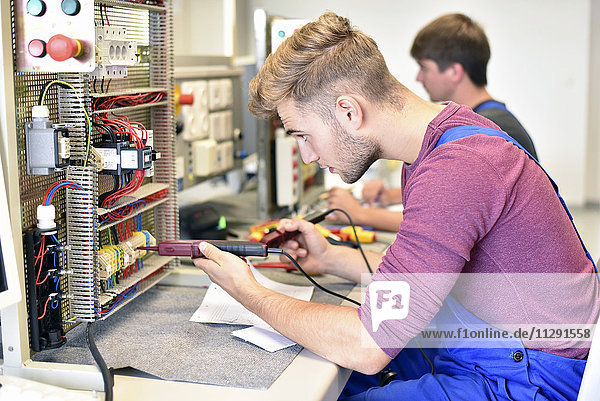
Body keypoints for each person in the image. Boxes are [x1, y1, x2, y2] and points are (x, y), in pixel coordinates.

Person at [193, 11, 598, 400]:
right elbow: (417, 281)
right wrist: (332, 259)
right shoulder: (438, 139)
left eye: (303, 135)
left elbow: (367, 345)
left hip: (527, 378)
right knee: (331, 375)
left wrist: (249, 292)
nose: (307, 156)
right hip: (488, 346)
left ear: (349, 111)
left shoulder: (457, 168)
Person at [327, 13, 538, 232]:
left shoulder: (487, 134)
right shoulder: (484, 121)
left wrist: (360, 214)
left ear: (454, 72)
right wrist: (389, 196)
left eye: (425, 67)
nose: (419, 77)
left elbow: (445, 221)